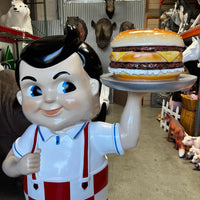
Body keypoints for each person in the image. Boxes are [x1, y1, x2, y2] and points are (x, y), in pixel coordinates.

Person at [2, 26, 141, 200]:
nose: (49, 99)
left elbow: (128, 137)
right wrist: (18, 167)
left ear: (92, 88)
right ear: (21, 98)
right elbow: (8, 164)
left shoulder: (92, 134)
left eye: (65, 86)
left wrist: (135, 95)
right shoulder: (33, 135)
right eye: (35, 91)